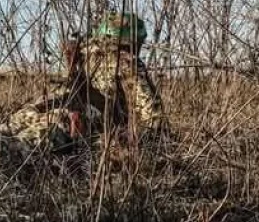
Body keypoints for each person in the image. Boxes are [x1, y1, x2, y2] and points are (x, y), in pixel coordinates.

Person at [9, 11, 163, 150]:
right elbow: (154, 119)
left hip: (91, 122)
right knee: (39, 118)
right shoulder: (105, 57)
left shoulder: (101, 57)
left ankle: (11, 142)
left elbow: (153, 118)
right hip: (82, 119)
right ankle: (12, 140)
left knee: (52, 121)